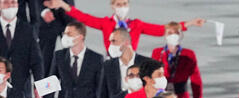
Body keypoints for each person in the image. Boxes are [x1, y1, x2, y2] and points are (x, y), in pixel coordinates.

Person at [44, 0, 204, 51]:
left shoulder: (136, 25)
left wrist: (189, 23)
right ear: (112, 6)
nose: (122, 7)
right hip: (110, 62)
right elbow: (84, 18)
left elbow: (161, 30)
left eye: (125, 4)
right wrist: (63, 5)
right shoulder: (105, 23)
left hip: (131, 63)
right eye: (119, 4)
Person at [151, 21, 202, 98]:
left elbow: (196, 81)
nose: (173, 36)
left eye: (176, 33)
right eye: (170, 33)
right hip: (161, 96)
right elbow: (151, 77)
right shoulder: (158, 53)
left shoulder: (188, 54)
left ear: (181, 35)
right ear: (165, 35)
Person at [0, 0, 43, 98]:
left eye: (13, 2)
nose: (10, 6)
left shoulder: (27, 30)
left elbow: (36, 60)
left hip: (21, 86)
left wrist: (38, 85)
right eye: (6, 2)